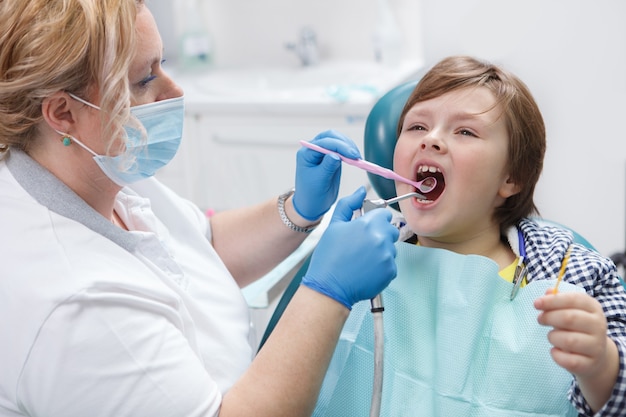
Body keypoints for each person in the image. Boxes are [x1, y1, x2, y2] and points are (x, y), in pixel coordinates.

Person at [0, 1, 401, 416]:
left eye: (162, 64)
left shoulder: (101, 171)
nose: (174, 91)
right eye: (144, 80)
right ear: (63, 113)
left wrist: (298, 209)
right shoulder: (77, 306)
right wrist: (327, 293)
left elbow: (197, 244)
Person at [312, 56, 626, 416]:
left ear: (511, 178)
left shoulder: (576, 273)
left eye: (465, 131)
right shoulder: (355, 252)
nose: (431, 139)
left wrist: (601, 366)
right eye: (416, 127)